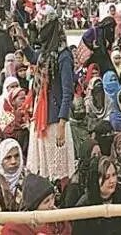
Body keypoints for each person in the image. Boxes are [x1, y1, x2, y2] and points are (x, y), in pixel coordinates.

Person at [22, 12, 75, 182]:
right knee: (43, 168)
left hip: (54, 121)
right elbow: (33, 57)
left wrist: (61, 123)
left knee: (57, 170)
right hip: (41, 115)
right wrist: (23, 42)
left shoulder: (64, 56)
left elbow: (68, 92)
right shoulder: (45, 53)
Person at [72, 156, 121, 235]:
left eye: (114, 175)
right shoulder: (84, 206)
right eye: (107, 177)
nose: (112, 181)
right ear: (95, 180)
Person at [1, 174, 72, 235]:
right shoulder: (14, 227)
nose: (51, 204)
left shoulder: (59, 222)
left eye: (52, 198)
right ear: (34, 206)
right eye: (46, 201)